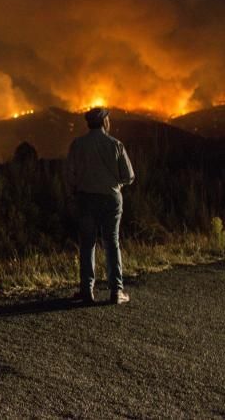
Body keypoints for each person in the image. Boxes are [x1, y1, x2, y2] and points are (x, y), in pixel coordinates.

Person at [65, 107, 134, 305]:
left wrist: (72, 195)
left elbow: (70, 175)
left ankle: (87, 291)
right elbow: (129, 176)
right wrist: (116, 183)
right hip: (111, 199)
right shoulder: (116, 145)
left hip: (86, 200)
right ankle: (116, 292)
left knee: (87, 244)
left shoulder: (78, 145)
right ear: (105, 123)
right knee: (111, 243)